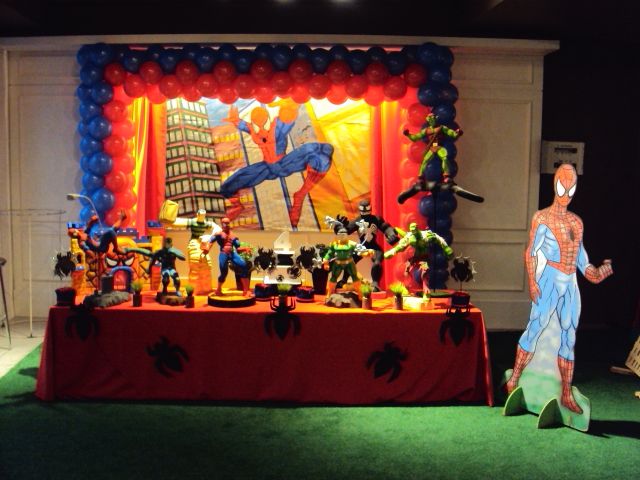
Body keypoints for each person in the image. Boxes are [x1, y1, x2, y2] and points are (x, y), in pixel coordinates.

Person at [505, 164, 613, 413]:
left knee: (569, 336)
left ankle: (565, 393)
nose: (566, 193)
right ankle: (514, 379)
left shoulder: (576, 222)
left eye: (571, 188)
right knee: (536, 327)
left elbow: (582, 261)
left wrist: (599, 272)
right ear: (555, 185)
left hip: (570, 283)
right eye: (562, 187)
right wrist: (533, 282)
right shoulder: (542, 218)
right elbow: (531, 252)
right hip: (550, 279)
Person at [221, 101, 333, 227]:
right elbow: (244, 125)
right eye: (255, 120)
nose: (258, 123)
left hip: (285, 163)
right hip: (266, 168)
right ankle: (237, 206)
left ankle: (300, 195)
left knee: (321, 153)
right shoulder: (252, 128)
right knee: (228, 184)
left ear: (267, 118)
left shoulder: (278, 126)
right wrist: (235, 120)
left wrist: (291, 106)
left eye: (261, 119)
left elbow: (288, 117)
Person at [334, 199, 399, 292]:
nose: (365, 212)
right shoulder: (357, 221)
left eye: (366, 209)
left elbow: (386, 227)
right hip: (362, 246)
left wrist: (391, 234)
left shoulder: (376, 219)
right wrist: (339, 226)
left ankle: (375, 284)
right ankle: (344, 280)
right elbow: (344, 232)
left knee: (377, 262)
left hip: (373, 246)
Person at [397, 112, 462, 204]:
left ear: (435, 118)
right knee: (425, 161)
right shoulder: (426, 130)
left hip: (439, 147)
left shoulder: (441, 128)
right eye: (430, 119)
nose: (432, 120)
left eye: (433, 118)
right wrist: (408, 135)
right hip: (432, 148)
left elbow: (451, 133)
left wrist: (457, 133)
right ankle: (420, 178)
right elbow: (415, 137)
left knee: (444, 158)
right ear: (428, 120)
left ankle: (446, 177)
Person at [383, 222, 453, 301]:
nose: (414, 232)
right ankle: (406, 288)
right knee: (407, 270)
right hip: (416, 256)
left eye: (414, 230)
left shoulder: (426, 235)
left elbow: (438, 238)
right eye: (412, 231)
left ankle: (426, 292)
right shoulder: (410, 236)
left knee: (424, 273)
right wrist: (392, 252)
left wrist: (446, 248)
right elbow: (401, 246)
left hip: (424, 257)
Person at [164, 208, 221, 295]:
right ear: (197, 214)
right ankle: (193, 289)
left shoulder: (206, 223)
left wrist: (210, 237)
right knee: (195, 263)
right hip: (194, 241)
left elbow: (218, 229)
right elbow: (176, 223)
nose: (202, 216)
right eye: (200, 215)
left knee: (207, 265)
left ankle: (206, 288)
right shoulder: (193, 222)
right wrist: (168, 218)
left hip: (202, 242)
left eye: (203, 215)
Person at [203, 217, 252, 297]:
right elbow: (210, 241)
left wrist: (245, 249)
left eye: (228, 223)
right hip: (223, 253)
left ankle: (246, 291)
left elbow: (238, 249)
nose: (226, 225)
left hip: (232, 253)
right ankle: (218, 290)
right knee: (223, 272)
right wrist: (207, 248)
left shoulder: (232, 235)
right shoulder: (219, 234)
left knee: (243, 265)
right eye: (224, 223)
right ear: (222, 224)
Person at [322, 227, 373, 300]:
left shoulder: (351, 244)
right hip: (338, 263)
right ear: (337, 235)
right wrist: (325, 262)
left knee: (355, 277)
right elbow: (329, 254)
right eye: (340, 234)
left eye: (344, 234)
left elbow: (359, 251)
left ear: (346, 235)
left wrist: (366, 253)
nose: (342, 236)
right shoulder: (334, 244)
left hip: (349, 263)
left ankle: (360, 293)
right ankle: (330, 292)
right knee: (333, 277)